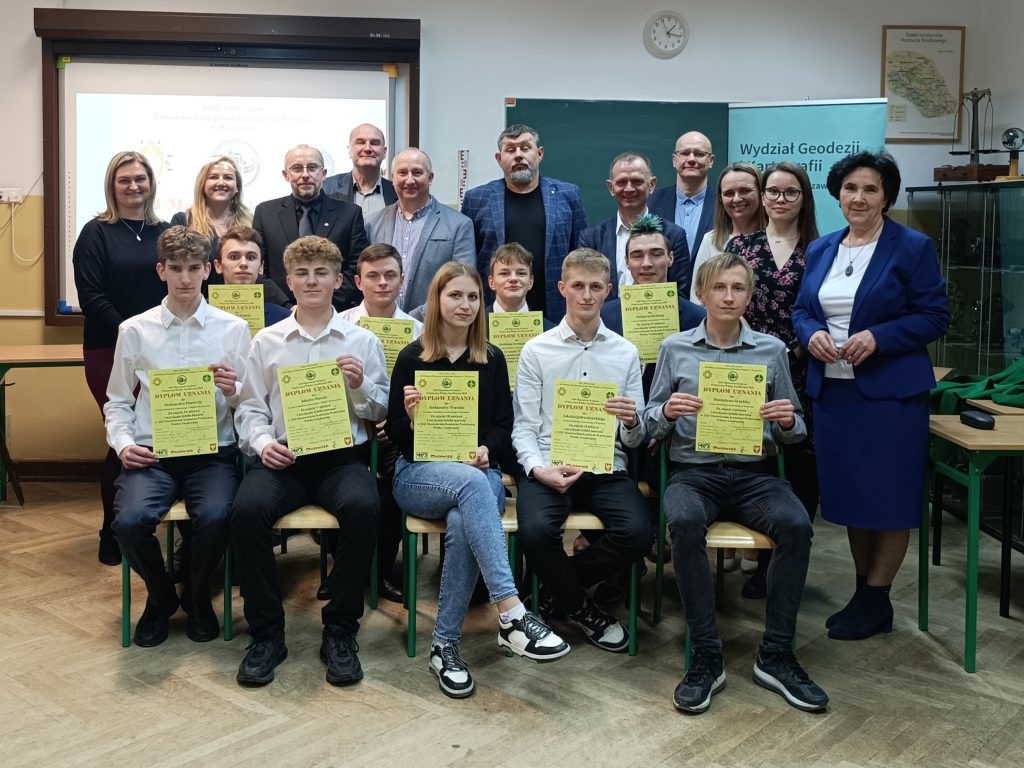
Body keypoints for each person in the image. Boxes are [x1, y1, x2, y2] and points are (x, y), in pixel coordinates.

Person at [645, 252, 828, 714]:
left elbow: (796, 430)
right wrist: (666, 411)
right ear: (701, 294)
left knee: (796, 524)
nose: (728, 297)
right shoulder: (674, 348)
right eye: (719, 288)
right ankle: (706, 654)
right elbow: (647, 424)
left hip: (755, 476)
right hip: (693, 473)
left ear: (750, 296)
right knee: (684, 521)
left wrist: (787, 420)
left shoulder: (772, 349)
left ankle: (777, 654)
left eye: (738, 288)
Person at [387, 262, 570, 698]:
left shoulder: (492, 357)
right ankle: (511, 610)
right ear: (437, 300)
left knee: (464, 519)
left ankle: (444, 648)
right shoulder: (412, 357)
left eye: (473, 297)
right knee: (474, 486)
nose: (465, 305)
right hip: (418, 475)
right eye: (455, 295)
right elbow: (394, 433)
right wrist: (411, 419)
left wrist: (487, 447)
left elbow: (503, 425)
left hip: (477, 472)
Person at [792, 151, 950, 641]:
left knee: (888, 498)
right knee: (851, 497)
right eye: (850, 188)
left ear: (886, 197)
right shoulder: (822, 248)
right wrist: (812, 333)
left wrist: (879, 337)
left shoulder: (912, 247)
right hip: (833, 394)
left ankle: (877, 597)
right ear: (837, 195)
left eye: (870, 189)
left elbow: (935, 316)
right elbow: (802, 310)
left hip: (890, 397)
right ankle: (864, 593)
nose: (858, 198)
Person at [231, 235, 388, 687]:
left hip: (341, 458)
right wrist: (263, 443)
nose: (312, 281)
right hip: (285, 459)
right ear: (288, 280)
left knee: (365, 507)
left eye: (322, 273)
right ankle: (266, 633)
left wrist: (359, 385)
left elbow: (380, 409)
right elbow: (249, 408)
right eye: (302, 273)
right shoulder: (266, 341)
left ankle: (340, 629)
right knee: (246, 512)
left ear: (339, 281)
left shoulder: (362, 340)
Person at [105, 226, 250, 647]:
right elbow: (117, 401)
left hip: (213, 454)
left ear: (208, 270)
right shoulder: (134, 330)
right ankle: (161, 596)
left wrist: (233, 390)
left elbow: (251, 402)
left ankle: (198, 596)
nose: (185, 278)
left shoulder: (234, 329)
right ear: (161, 270)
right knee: (128, 522)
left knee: (218, 516)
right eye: (175, 268)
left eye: (193, 268)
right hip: (152, 454)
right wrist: (124, 444)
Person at [513, 248, 651, 652]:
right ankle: (581, 607)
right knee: (535, 532)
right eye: (578, 286)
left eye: (595, 287)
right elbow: (525, 427)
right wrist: (538, 469)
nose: (586, 295)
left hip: (605, 467)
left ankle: (552, 590)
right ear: (562, 288)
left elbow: (635, 438)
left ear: (608, 290)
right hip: (549, 464)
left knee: (639, 533)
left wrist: (632, 422)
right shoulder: (536, 349)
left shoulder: (626, 352)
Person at [726, 162, 820, 597]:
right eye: (773, 191)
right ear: (762, 197)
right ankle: (757, 553)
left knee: (800, 465)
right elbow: (729, 303)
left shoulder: (822, 249)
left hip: (802, 366)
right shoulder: (740, 245)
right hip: (746, 369)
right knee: (757, 462)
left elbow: (826, 311)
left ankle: (779, 567)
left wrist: (794, 351)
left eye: (790, 192)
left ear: (804, 198)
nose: (780, 199)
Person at [73, 150, 171, 565]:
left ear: (151, 183)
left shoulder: (165, 232)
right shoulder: (96, 232)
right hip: (109, 349)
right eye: (124, 180)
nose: (133, 186)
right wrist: (133, 336)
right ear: (112, 186)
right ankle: (110, 531)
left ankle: (147, 523)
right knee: (122, 438)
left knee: (162, 431)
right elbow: (91, 297)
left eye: (140, 179)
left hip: (163, 350)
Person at [340, 242, 423, 603]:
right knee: (340, 483)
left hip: (396, 434)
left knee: (391, 487)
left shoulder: (420, 332)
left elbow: (423, 392)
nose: (382, 283)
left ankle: (380, 570)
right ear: (359, 281)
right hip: (349, 429)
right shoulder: (340, 325)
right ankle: (344, 571)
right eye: (373, 276)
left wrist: (395, 423)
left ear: (402, 280)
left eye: (390, 275)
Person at [461, 124, 587, 322]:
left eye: (525, 148)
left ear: (540, 153)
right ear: (499, 159)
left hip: (555, 308)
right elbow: (469, 263)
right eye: (510, 150)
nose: (518, 155)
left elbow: (581, 256)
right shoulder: (476, 199)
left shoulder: (568, 195)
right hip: (494, 313)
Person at [252, 144, 369, 312]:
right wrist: (286, 306)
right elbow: (257, 267)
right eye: (297, 168)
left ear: (324, 173)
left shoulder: (349, 213)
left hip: (333, 311)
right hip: (282, 312)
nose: (305, 175)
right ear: (286, 175)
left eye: (312, 168)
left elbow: (357, 268)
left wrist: (321, 303)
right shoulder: (265, 213)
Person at [364, 148, 475, 318]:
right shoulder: (372, 223)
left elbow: (462, 282)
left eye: (417, 172)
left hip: (431, 325)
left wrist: (414, 319)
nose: (409, 180)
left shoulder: (458, 225)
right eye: (402, 173)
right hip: (379, 323)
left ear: (430, 178)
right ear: (392, 178)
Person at [578, 152, 691, 299]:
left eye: (637, 181)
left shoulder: (674, 235)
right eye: (621, 182)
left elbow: (680, 295)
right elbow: (586, 291)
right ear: (611, 187)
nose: (629, 189)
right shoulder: (591, 238)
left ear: (651, 185)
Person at [688, 162, 766, 304]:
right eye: (729, 193)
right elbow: (697, 298)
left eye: (745, 191)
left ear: (762, 194)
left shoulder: (775, 240)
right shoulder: (710, 240)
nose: (736, 198)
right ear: (720, 198)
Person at [649, 131, 716, 287]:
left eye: (699, 154)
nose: (691, 159)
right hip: (662, 295)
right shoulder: (651, 203)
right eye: (685, 153)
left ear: (711, 161)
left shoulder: (725, 204)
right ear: (674, 160)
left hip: (709, 294)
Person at [170, 155, 252, 260]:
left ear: (237, 187)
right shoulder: (183, 221)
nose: (221, 183)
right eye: (213, 177)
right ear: (202, 184)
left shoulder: (251, 222)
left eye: (228, 177)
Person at [214, 226, 292, 327]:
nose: (243, 263)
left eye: (251, 257)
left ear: (261, 267)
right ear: (218, 266)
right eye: (234, 257)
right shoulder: (201, 313)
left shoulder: (284, 319)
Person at [322, 123, 397, 214]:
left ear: (384, 152)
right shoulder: (326, 187)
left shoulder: (397, 192)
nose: (367, 149)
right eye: (360, 142)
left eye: (374, 143)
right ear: (349, 150)